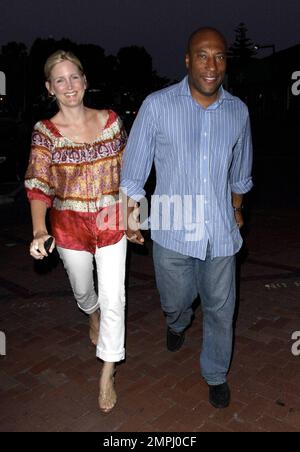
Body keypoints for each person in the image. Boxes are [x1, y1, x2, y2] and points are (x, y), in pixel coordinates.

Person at [120, 27, 253, 409]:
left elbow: (241, 172)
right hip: (173, 230)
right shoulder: (157, 105)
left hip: (220, 233)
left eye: (220, 57)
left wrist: (238, 208)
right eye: (202, 55)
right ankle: (177, 322)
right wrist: (131, 216)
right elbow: (134, 172)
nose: (212, 66)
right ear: (187, 60)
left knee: (220, 309)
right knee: (176, 300)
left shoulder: (238, 111)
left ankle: (215, 373)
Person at [25, 50, 127, 414]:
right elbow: (38, 185)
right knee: (85, 291)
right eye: (60, 80)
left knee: (115, 297)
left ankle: (107, 370)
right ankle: (91, 313)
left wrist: (132, 214)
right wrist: (40, 231)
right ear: (50, 87)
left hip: (112, 222)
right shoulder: (46, 132)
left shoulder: (112, 122)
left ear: (85, 81)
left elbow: (128, 172)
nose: (69, 86)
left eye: (75, 77)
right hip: (68, 227)